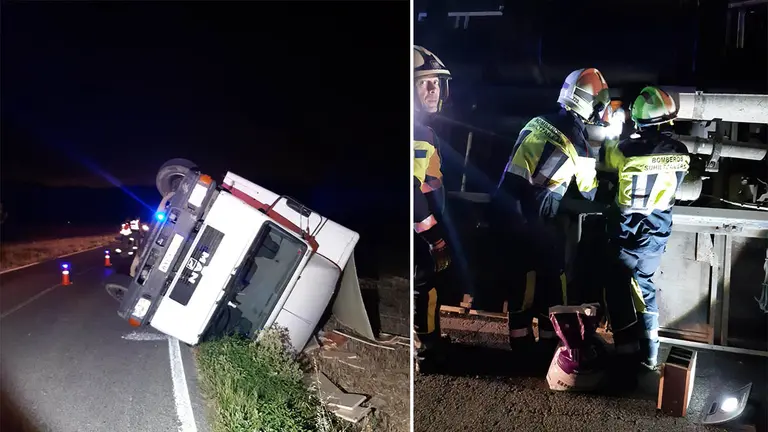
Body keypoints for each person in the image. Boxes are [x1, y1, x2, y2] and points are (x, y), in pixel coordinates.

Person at [490, 68, 611, 352]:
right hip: (542, 219)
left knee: (522, 283)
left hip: (509, 211)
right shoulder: (581, 146)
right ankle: (549, 345)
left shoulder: (535, 122)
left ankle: (519, 346)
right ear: (590, 104)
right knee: (552, 283)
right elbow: (588, 190)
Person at [601, 86, 690, 375]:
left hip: (626, 234)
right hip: (656, 235)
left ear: (638, 121)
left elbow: (608, 161)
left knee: (617, 289)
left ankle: (626, 353)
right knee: (645, 287)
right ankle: (650, 354)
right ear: (668, 121)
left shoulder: (625, 149)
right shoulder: (681, 152)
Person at [413, 45, 452, 372]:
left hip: (422, 225)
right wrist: (434, 237)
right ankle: (425, 351)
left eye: (436, 82)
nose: (433, 89)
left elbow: (429, 182)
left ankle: (429, 342)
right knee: (423, 284)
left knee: (426, 285)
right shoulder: (416, 133)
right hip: (418, 230)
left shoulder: (424, 131)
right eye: (424, 82)